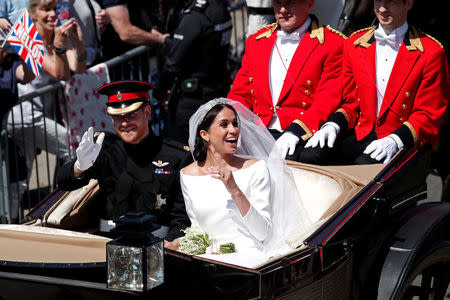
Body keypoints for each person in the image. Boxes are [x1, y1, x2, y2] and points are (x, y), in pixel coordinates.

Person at [302, 0, 449, 165]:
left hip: (401, 140)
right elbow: (351, 103)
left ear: (408, 3)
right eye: (378, 1)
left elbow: (428, 114)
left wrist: (396, 140)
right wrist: (332, 125)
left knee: (363, 169)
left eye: (390, 2)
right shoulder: (354, 44)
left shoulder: (431, 52)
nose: (382, 8)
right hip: (361, 133)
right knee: (309, 156)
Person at [166, 98, 311, 258]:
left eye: (235, 124)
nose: (233, 130)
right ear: (205, 135)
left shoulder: (256, 168)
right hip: (207, 258)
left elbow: (262, 233)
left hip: (248, 258)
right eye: (224, 124)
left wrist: (234, 189)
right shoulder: (188, 174)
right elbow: (198, 230)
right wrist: (177, 244)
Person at [56, 81, 190, 241]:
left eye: (131, 115)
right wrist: (79, 166)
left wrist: (171, 246)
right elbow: (64, 182)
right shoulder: (105, 149)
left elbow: (181, 216)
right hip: (110, 240)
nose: (124, 123)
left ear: (147, 112)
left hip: (156, 244)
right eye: (117, 117)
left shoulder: (176, 155)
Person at [227, 0, 346, 161]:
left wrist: (296, 132)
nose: (283, 10)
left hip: (299, 134)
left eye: (290, 3)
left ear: (309, 4)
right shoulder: (256, 41)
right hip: (258, 130)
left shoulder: (333, 44)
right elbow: (240, 94)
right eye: (278, 3)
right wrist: (236, 124)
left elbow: (326, 100)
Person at [7, 0, 87, 181]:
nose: (52, 14)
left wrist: (79, 42)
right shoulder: (29, 38)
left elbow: (79, 67)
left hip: (33, 116)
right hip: (25, 117)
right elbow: (62, 74)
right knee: (75, 149)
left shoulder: (56, 36)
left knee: (21, 179)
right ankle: (66, 200)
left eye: (54, 9)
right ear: (33, 14)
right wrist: (59, 46)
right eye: (46, 9)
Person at [153, 0, 232, 144]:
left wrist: (159, 92)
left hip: (193, 99)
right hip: (217, 88)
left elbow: (173, 64)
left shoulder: (195, 16)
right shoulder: (219, 8)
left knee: (185, 151)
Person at [0, 35, 35, 223]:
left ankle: (12, 227)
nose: (2, 47)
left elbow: (27, 76)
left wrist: (27, 52)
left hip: (5, 137)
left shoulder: (11, 63)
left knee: (16, 180)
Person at [99, 0, 168, 60]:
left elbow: (142, 21)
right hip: (123, 60)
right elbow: (126, 33)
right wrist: (160, 39)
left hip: (142, 55)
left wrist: (161, 37)